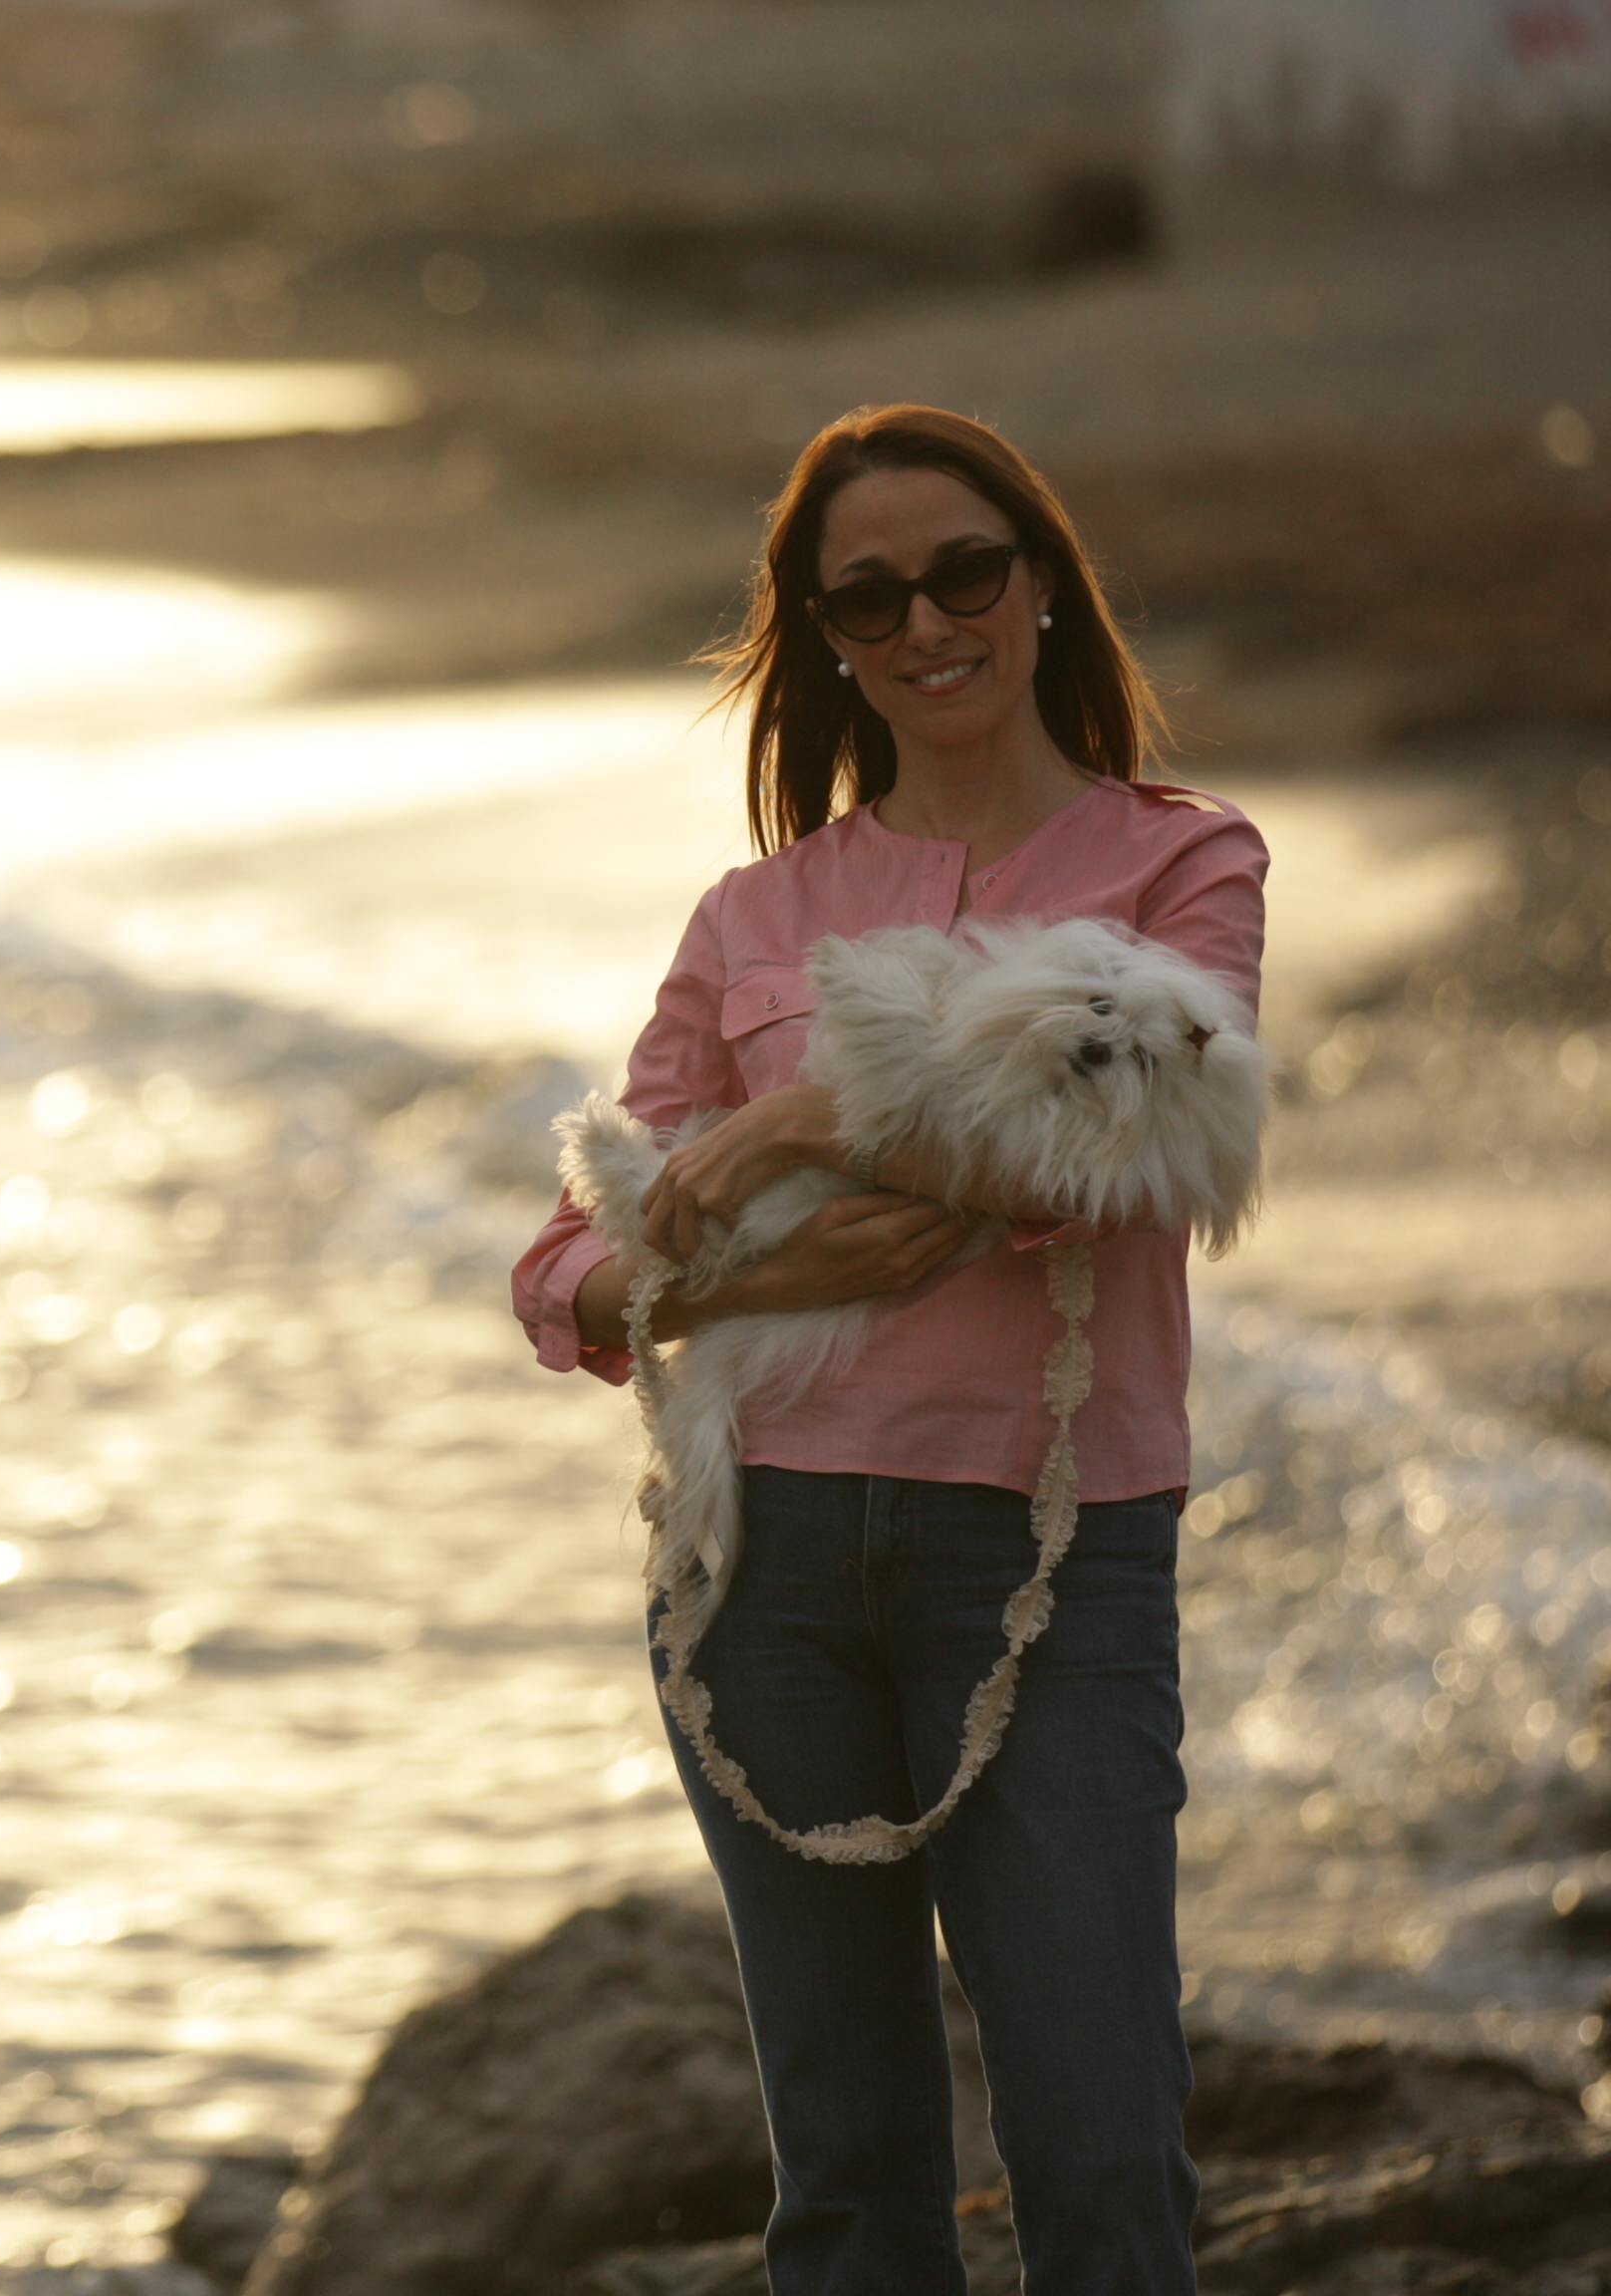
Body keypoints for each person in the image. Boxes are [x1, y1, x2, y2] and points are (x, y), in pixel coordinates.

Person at [510, 405, 1267, 2296]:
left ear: (1039, 587)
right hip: (753, 1573)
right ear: (825, 635)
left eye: (965, 572)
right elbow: (565, 1268)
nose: (927, 622)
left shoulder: (1182, 866)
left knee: (1103, 2157)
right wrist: (709, 1288)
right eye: (869, 596)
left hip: (1051, 1556)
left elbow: (1141, 1149)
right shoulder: (754, 915)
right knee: (845, 2186)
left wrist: (781, 1136)